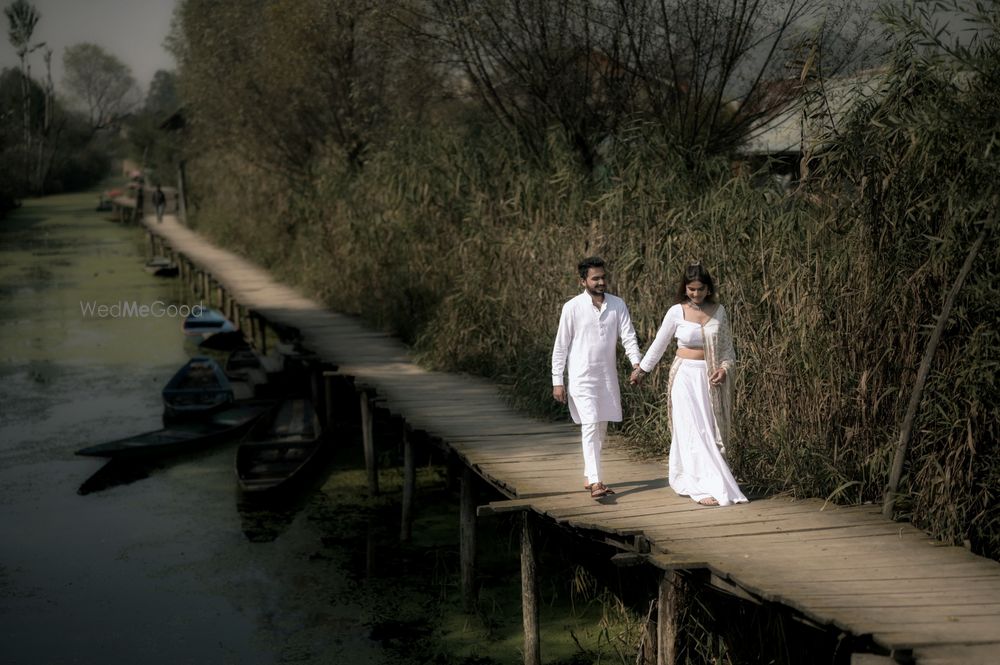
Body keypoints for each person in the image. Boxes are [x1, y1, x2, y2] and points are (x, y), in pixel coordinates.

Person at [629, 262, 748, 507]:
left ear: (708, 288)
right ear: (685, 288)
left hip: (708, 378)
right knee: (692, 430)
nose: (696, 294)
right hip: (684, 377)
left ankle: (713, 480)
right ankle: (697, 485)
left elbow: (727, 350)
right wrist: (642, 370)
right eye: (691, 289)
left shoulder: (719, 311)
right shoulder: (677, 311)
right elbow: (659, 344)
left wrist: (724, 370)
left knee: (708, 429)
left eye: (700, 289)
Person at [552, 256, 642, 498]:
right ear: (583, 281)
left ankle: (588, 473)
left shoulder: (617, 304)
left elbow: (629, 336)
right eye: (595, 278)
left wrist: (636, 363)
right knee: (591, 424)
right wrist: (557, 380)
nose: (601, 281)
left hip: (606, 377)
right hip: (581, 378)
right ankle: (596, 482)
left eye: (603, 277)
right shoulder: (572, 307)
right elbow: (561, 346)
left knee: (601, 426)